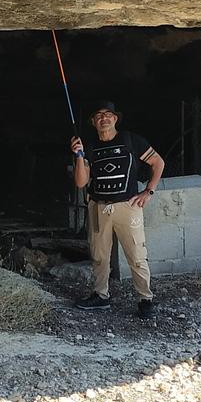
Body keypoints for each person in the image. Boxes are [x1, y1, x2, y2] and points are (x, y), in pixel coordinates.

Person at [70, 99, 164, 318]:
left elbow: (158, 162)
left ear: (115, 119)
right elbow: (81, 182)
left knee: (137, 254)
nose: (104, 118)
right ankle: (100, 295)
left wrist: (148, 191)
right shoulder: (90, 147)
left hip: (128, 205)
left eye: (108, 114)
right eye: (99, 115)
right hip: (98, 206)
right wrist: (78, 156)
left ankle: (145, 299)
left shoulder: (131, 140)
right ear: (94, 122)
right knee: (99, 255)